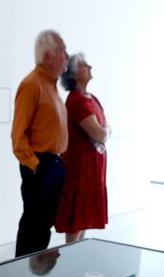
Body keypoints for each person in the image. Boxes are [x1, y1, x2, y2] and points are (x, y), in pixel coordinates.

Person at [11, 30, 69, 257]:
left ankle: (34, 274)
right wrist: (36, 166)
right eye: (62, 50)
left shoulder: (52, 87)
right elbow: (18, 136)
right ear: (47, 56)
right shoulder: (31, 85)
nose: (67, 55)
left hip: (54, 164)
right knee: (32, 226)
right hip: (40, 165)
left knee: (44, 226)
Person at [55, 53, 109, 242]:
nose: (90, 67)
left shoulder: (90, 98)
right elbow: (99, 133)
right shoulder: (76, 101)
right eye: (85, 66)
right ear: (74, 75)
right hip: (79, 169)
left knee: (84, 218)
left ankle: (77, 259)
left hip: (91, 168)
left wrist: (105, 131)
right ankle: (71, 262)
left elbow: (103, 128)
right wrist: (106, 132)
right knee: (76, 220)